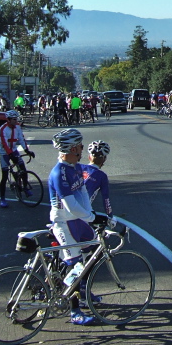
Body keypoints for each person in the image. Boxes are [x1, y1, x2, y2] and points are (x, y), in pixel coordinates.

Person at [47, 128, 112, 325]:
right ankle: (74, 311)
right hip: (64, 222)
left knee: (95, 251)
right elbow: (70, 205)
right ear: (73, 148)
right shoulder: (59, 172)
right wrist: (91, 217)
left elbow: (83, 193)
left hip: (78, 220)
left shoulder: (75, 168)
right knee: (74, 267)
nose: (83, 150)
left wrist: (91, 216)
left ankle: (83, 291)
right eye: (81, 146)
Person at [0, 110, 35, 208]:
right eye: (14, 119)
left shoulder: (17, 127)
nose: (16, 121)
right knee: (5, 175)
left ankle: (25, 187)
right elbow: (4, 144)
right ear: (8, 120)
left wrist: (27, 150)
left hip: (14, 150)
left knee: (23, 168)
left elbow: (21, 139)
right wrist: (10, 155)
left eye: (16, 119)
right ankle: (2, 199)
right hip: (4, 152)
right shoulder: (3, 129)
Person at [82, 141, 113, 216]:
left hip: (66, 206)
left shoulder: (78, 167)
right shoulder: (102, 176)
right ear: (104, 159)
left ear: (89, 157)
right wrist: (110, 215)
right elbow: (106, 200)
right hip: (83, 211)